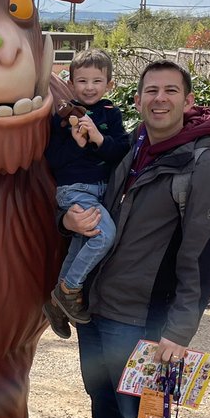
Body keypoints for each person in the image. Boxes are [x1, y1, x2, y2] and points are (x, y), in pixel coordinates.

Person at [57, 60, 210, 418]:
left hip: (145, 316)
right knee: (100, 396)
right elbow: (93, 207)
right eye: (151, 91)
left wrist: (178, 332)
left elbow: (203, 256)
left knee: (138, 415)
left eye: (170, 91)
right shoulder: (130, 147)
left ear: (186, 99)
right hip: (99, 303)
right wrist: (68, 222)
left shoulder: (202, 168)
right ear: (137, 100)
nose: (160, 99)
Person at [43, 49, 130, 326]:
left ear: (109, 84)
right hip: (74, 189)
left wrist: (97, 138)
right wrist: (76, 145)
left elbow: (121, 151)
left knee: (82, 241)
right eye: (82, 81)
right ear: (70, 83)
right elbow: (52, 160)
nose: (89, 87)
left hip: (102, 190)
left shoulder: (110, 114)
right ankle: (69, 289)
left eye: (96, 81)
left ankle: (56, 303)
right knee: (104, 235)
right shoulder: (61, 117)